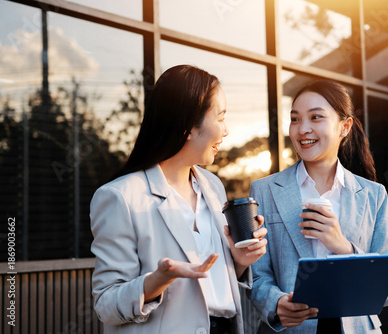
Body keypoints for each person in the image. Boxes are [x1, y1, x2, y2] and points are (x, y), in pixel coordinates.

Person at [90, 64, 268, 334]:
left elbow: (217, 282)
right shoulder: (120, 197)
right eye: (219, 118)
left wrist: (239, 260)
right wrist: (157, 281)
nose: (226, 130)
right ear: (188, 126)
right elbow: (105, 304)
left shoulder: (213, 186)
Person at [249, 80, 388, 333]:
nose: (302, 129)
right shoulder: (264, 190)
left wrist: (343, 246)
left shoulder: (374, 195)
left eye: (315, 117)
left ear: (345, 126)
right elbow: (255, 274)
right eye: (295, 119)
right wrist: (276, 303)